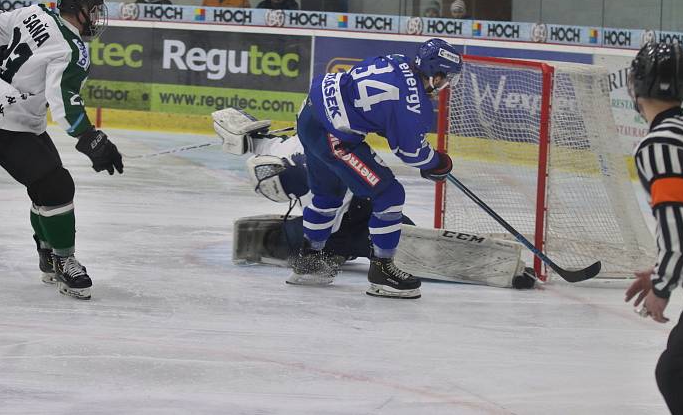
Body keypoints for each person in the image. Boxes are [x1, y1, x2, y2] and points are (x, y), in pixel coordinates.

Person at [211, 109, 535, 290]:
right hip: (361, 207)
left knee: (395, 241)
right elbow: (262, 141)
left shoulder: (310, 190)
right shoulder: (290, 146)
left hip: (354, 214)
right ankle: (503, 270)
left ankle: (501, 269)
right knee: (400, 243)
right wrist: (247, 135)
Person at [0, 0, 124, 301]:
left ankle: (48, 253)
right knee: (57, 186)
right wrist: (91, 139)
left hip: (7, 117)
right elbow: (64, 101)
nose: (96, 17)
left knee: (44, 186)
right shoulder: (71, 49)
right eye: (93, 10)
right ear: (79, 10)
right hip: (5, 126)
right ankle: (64, 260)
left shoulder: (35, 13)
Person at [288, 38, 462, 299]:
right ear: (435, 76)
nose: (446, 85)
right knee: (390, 195)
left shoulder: (397, 60)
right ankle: (383, 272)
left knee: (328, 195)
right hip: (335, 137)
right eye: (447, 78)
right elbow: (411, 153)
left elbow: (370, 99)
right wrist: (438, 163)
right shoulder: (415, 104)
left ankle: (309, 263)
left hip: (309, 117)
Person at [624, 42, 683, 414]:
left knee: (680, 371)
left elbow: (681, 226)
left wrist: (663, 285)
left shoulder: (661, 144)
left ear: (635, 87)